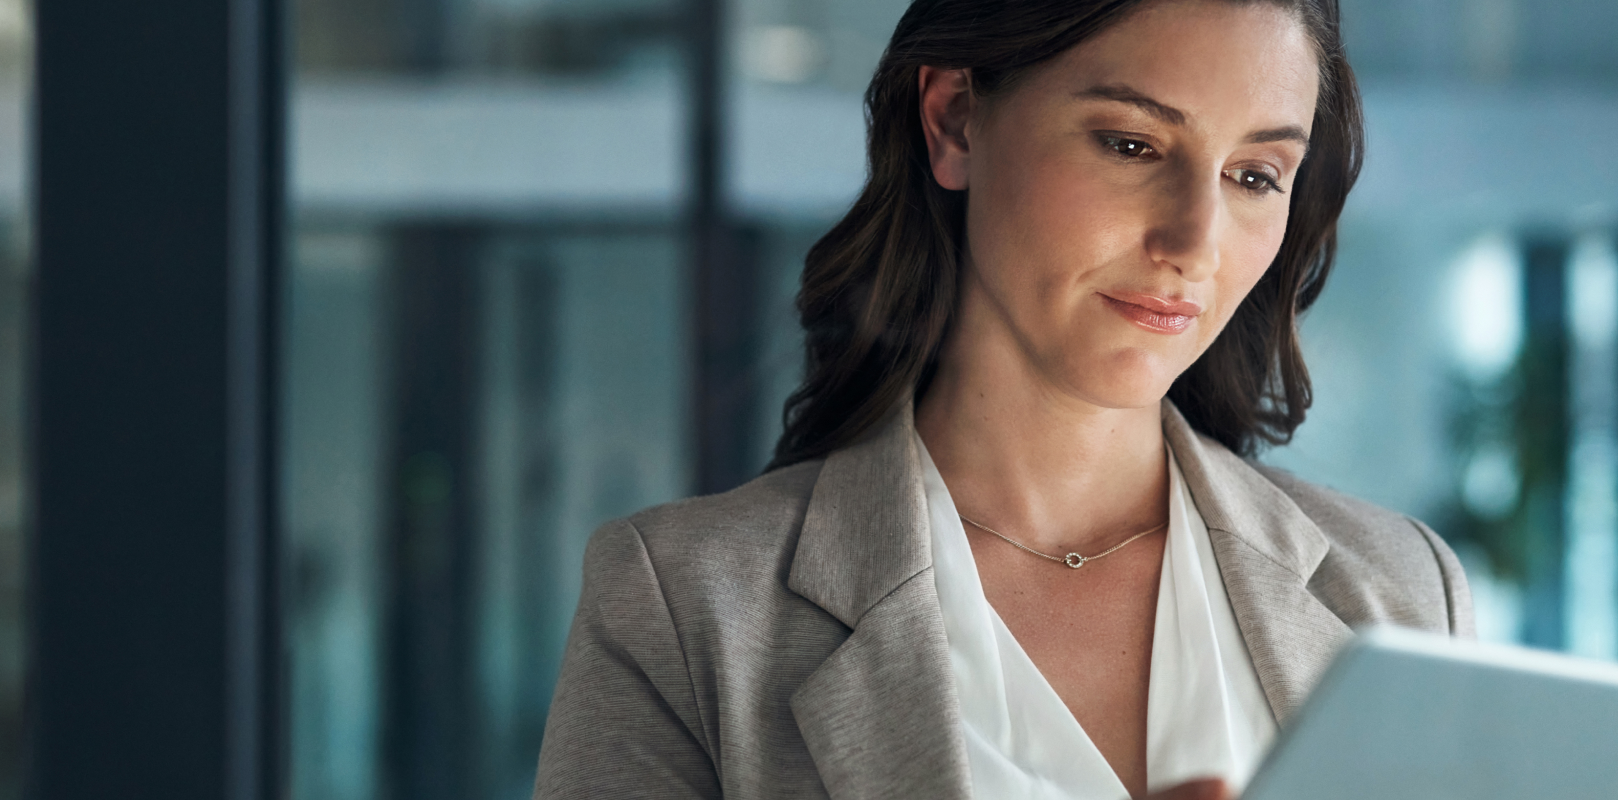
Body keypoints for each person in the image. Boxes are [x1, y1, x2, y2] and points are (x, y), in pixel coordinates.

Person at [533, 0, 1475, 797]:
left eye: (1255, 176)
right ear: (954, 121)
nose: (1196, 239)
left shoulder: (1398, 592)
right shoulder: (684, 610)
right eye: (1132, 143)